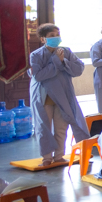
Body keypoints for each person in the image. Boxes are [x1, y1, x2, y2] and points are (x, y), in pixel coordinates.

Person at [29, 23, 89, 166]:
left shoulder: (66, 51)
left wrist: (64, 61)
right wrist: (57, 62)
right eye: (52, 35)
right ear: (43, 39)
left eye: (57, 34)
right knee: (44, 127)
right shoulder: (36, 55)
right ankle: (46, 157)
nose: (56, 37)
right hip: (44, 96)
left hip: (63, 96)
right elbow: (38, 76)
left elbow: (78, 69)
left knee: (61, 127)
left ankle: (59, 155)